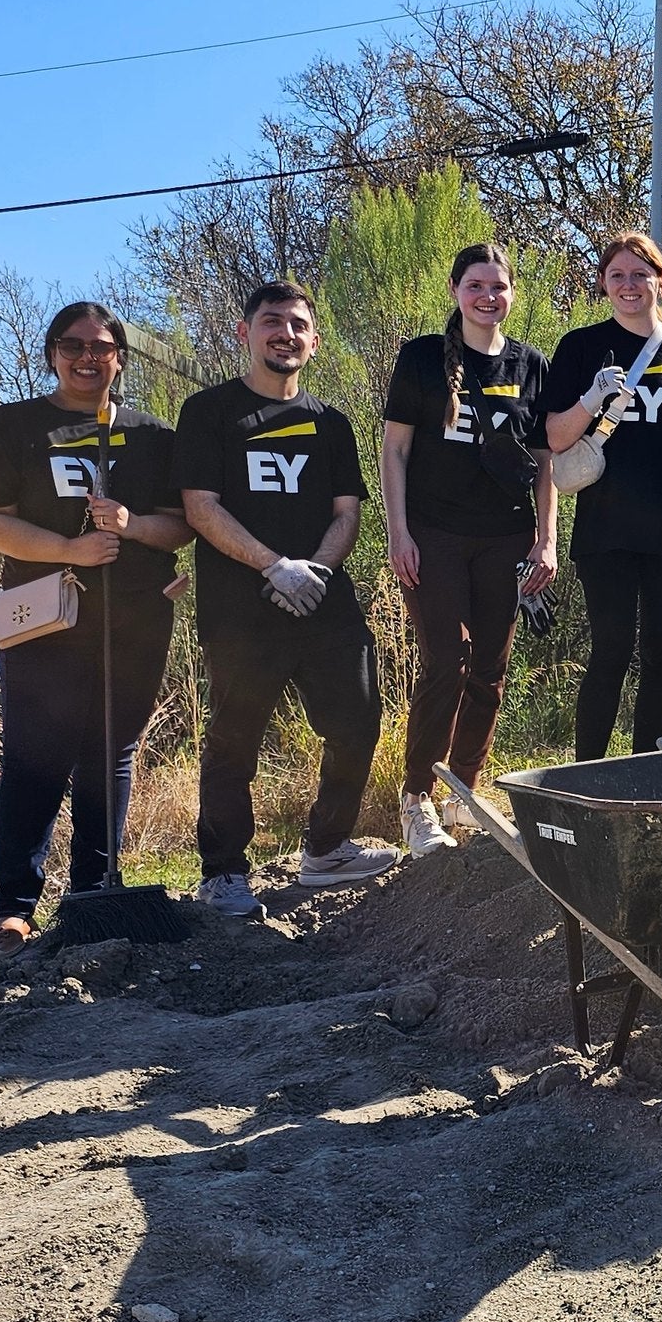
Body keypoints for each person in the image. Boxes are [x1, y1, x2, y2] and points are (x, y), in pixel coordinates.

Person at [0, 302, 193, 960]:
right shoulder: (13, 428)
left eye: (102, 345)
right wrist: (72, 548)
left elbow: (181, 523)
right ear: (52, 353)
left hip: (137, 618)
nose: (88, 356)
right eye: (74, 345)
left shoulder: (154, 436)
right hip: (44, 617)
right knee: (35, 756)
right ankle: (16, 909)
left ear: (120, 356)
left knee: (111, 752)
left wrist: (129, 526)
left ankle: (93, 893)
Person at [178, 280, 401, 919]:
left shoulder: (331, 423)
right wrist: (274, 567)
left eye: (298, 324)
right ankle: (223, 872)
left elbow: (348, 511)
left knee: (358, 722)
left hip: (324, 603)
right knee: (234, 739)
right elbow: (200, 506)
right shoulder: (209, 412)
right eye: (271, 321)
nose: (286, 333)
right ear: (245, 333)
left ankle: (326, 850)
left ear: (314, 339)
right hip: (241, 609)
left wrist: (315, 573)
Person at [379, 242, 560, 856]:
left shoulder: (530, 364)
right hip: (434, 534)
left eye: (498, 286)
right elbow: (395, 450)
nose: (488, 297)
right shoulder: (423, 358)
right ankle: (418, 797)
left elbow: (543, 460)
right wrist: (397, 532)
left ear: (512, 293)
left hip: (506, 535)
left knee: (489, 667)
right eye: (476, 285)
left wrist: (546, 537)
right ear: (456, 290)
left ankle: (464, 793)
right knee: (444, 661)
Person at [542, 231, 662, 760]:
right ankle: (587, 773)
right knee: (610, 651)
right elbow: (553, 438)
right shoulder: (580, 347)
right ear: (603, 284)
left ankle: (647, 770)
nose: (629, 285)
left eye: (641, 274)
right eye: (617, 275)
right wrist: (592, 397)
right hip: (605, 531)